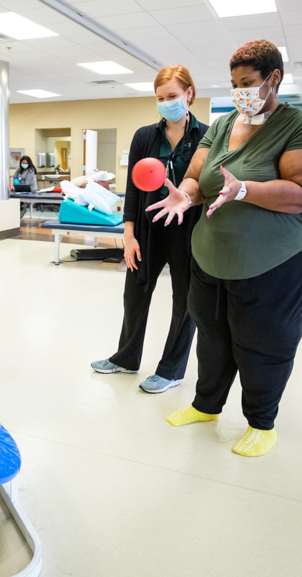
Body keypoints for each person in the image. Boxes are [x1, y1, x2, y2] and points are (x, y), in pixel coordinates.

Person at [146, 40, 302, 456]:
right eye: (235, 84)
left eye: (248, 83)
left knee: (263, 343)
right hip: (213, 256)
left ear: (273, 79)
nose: (241, 92)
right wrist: (186, 194)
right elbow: (197, 175)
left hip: (275, 261)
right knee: (212, 338)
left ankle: (261, 422)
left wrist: (246, 189)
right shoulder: (222, 125)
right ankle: (206, 405)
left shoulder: (299, 122)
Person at [91, 66, 208, 394]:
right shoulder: (145, 136)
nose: (166, 102)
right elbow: (131, 189)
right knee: (135, 294)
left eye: (172, 96)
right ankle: (126, 358)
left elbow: (207, 185)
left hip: (189, 231)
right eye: (160, 98)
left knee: (186, 303)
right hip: (147, 229)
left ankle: (171, 370)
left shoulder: (206, 136)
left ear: (188, 94)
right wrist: (128, 235)